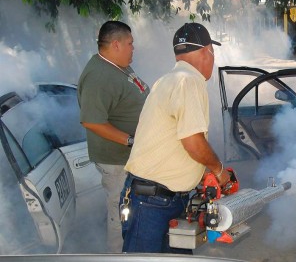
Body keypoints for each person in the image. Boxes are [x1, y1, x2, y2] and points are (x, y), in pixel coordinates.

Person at [120, 22, 230, 253]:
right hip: (152, 203)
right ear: (206, 51)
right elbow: (192, 142)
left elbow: (174, 141)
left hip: (159, 199)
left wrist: (200, 175)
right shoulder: (187, 81)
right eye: (213, 52)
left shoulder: (170, 79)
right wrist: (218, 171)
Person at [77, 20, 150, 253]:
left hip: (130, 158)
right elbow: (91, 121)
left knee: (134, 211)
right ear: (116, 44)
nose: (133, 48)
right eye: (130, 43)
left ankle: (135, 252)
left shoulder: (118, 65)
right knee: (120, 214)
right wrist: (130, 140)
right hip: (116, 161)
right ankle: (117, 256)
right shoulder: (98, 76)